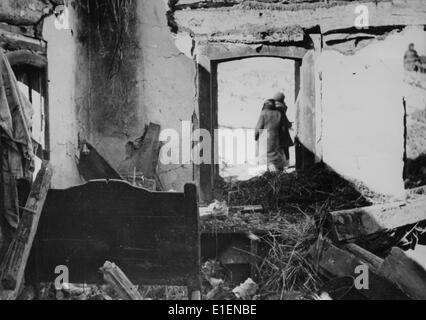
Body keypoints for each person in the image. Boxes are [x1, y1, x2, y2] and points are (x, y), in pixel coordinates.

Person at [255, 99, 284, 172]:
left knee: (265, 156)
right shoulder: (278, 113)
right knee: (274, 155)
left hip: (264, 136)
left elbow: (259, 126)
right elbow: (282, 128)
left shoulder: (263, 113)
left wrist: (256, 136)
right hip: (276, 137)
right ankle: (276, 172)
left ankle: (267, 172)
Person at [273, 92, 294, 167]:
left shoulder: (271, 107)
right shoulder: (281, 109)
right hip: (282, 132)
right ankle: (286, 164)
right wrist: (290, 124)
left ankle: (277, 165)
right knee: (285, 148)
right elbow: (285, 122)